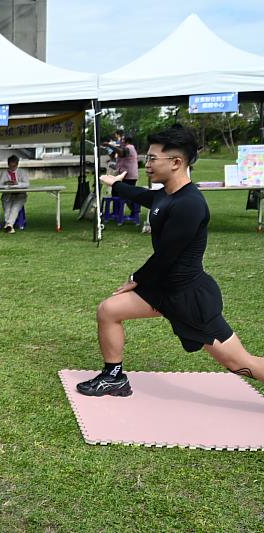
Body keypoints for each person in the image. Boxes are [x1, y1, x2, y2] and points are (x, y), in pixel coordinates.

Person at [77, 126, 264, 397]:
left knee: (239, 364)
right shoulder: (167, 194)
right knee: (109, 310)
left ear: (176, 162)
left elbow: (166, 256)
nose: (147, 164)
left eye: (153, 159)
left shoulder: (190, 204)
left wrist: (134, 279)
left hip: (188, 296)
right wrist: (116, 185)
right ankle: (113, 377)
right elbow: (146, 197)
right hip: (162, 289)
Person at [0, 155, 29, 234]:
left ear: (17, 164)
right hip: (7, 195)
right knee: (7, 210)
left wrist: (17, 184)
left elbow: (27, 184)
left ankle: (9, 225)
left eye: (14, 166)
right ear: (8, 165)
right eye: (10, 166)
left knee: (15, 208)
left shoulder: (22, 172)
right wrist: (6, 183)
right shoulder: (4, 173)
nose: (12, 167)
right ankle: (9, 226)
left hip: (20, 195)